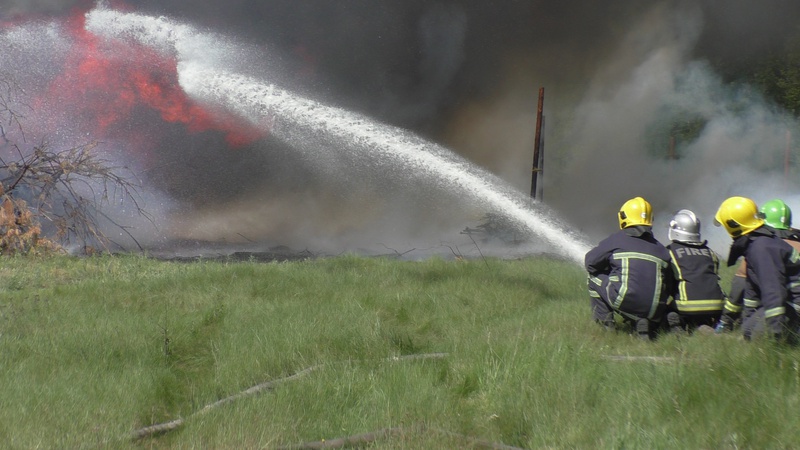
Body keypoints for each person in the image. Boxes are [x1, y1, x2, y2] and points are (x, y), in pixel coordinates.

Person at [585, 197, 674, 340]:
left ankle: (606, 326)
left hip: (624, 300)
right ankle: (643, 323)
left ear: (623, 217)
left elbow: (590, 263)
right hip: (654, 310)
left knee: (593, 278)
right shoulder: (661, 249)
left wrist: (609, 268)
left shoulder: (616, 239)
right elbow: (669, 285)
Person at [713, 196, 800, 342]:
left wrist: (776, 332)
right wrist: (748, 319)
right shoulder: (755, 243)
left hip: (795, 305)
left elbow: (773, 290)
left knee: (759, 337)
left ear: (733, 225)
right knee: (748, 331)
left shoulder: (762, 248)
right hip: (788, 303)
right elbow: (751, 290)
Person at [664, 209, 726, 333]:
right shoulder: (710, 252)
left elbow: (667, 283)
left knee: (663, 312)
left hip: (686, 306)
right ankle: (705, 325)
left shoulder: (670, 251)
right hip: (716, 305)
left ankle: (678, 323)